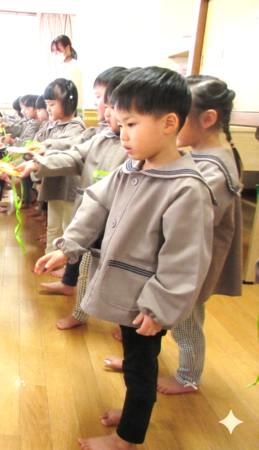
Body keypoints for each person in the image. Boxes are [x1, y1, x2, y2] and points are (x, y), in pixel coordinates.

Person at [35, 67, 214, 449]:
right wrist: (68, 247)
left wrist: (160, 307)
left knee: (140, 365)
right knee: (133, 360)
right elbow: (96, 203)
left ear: (169, 123)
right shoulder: (133, 166)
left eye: (131, 124)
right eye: (120, 122)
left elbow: (185, 260)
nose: (122, 133)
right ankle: (135, 409)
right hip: (127, 289)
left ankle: (127, 437)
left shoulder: (187, 188)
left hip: (148, 299)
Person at [105, 75, 244, 394]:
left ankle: (188, 376)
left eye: (180, 117)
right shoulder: (195, 154)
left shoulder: (216, 167)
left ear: (207, 119)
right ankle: (140, 363)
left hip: (190, 268)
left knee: (186, 321)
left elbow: (186, 219)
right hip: (172, 260)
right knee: (160, 318)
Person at [19, 69, 130, 326]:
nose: (103, 108)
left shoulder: (127, 145)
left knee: (112, 275)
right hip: (92, 218)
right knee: (85, 268)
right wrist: (37, 162)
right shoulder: (103, 135)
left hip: (112, 222)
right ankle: (81, 312)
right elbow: (75, 153)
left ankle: (126, 324)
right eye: (103, 101)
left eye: (105, 101)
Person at [32, 78, 85, 258]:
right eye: (47, 104)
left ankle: (66, 262)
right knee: (53, 225)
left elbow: (63, 145)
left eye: (52, 104)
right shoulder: (54, 125)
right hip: (54, 183)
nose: (48, 109)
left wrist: (44, 147)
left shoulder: (76, 127)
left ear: (68, 103)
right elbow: (39, 142)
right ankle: (50, 256)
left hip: (69, 186)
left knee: (67, 226)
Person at [50, 35, 84, 114]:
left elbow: (71, 91)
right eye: (53, 50)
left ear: (68, 48)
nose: (55, 53)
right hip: (61, 109)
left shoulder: (74, 66)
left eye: (58, 50)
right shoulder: (60, 66)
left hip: (72, 110)